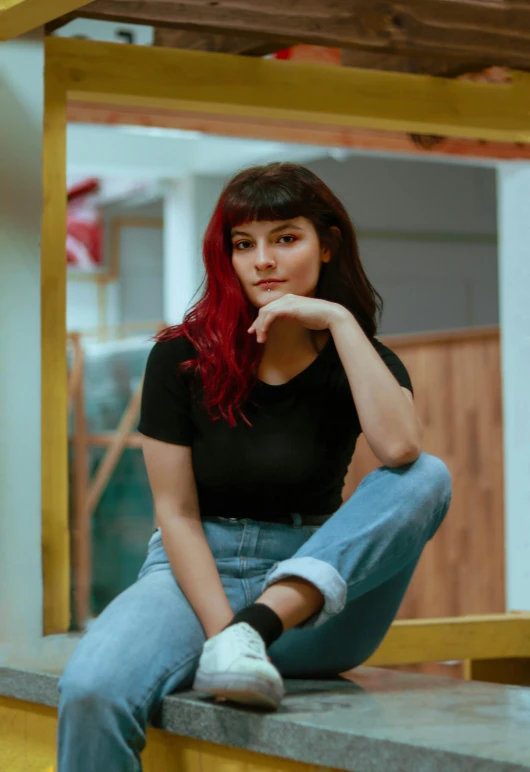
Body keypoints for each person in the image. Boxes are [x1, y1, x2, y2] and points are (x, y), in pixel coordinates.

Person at [57, 162, 452, 771]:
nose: (262, 260)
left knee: (429, 476)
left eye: (285, 238)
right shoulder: (178, 357)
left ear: (327, 244)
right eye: (244, 244)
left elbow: (401, 452)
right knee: (89, 690)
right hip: (194, 578)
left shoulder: (357, 356)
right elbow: (177, 514)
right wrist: (227, 636)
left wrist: (341, 322)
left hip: (311, 593)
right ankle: (242, 635)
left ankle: (258, 626)